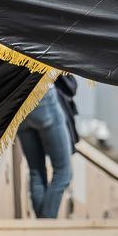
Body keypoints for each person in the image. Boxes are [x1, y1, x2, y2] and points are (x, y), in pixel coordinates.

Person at [16, 86, 74, 219]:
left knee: (36, 171)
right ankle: (46, 224)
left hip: (19, 102)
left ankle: (41, 225)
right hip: (42, 94)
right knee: (64, 172)